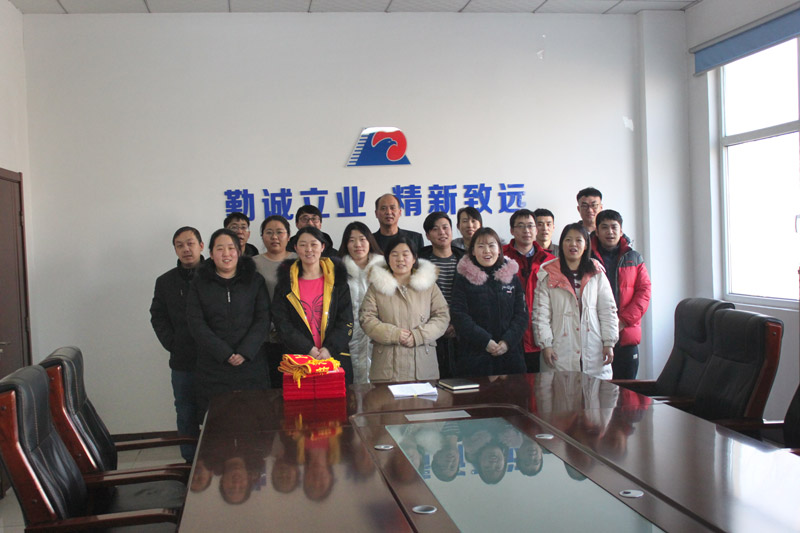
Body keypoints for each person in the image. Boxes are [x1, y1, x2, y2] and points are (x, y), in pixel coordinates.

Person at [186, 228, 270, 415]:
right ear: (210, 254)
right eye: (220, 248)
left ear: (239, 252)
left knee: (254, 419)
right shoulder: (199, 283)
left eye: (231, 248)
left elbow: (263, 318)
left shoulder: (254, 280)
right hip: (214, 365)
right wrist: (224, 353)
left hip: (250, 364)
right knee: (217, 422)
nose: (226, 254)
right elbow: (196, 322)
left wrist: (245, 351)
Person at [532, 223, 618, 379]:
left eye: (579, 240)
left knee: (596, 392)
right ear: (561, 244)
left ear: (586, 245)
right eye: (568, 240)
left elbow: (608, 310)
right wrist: (546, 345)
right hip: (559, 348)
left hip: (594, 347)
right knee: (560, 392)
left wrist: (609, 342)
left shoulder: (596, 272)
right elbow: (541, 315)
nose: (573, 244)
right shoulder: (548, 273)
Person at [360, 235, 450, 382]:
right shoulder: (377, 287)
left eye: (405, 254)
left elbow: (442, 316)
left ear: (414, 258)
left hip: (423, 366)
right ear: (388, 259)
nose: (400, 259)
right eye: (394, 255)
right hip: (386, 369)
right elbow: (366, 319)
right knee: (385, 398)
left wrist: (418, 336)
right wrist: (394, 334)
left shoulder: (428, 286)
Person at [149, 226, 205, 463]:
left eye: (190, 243)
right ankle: (190, 463)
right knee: (186, 411)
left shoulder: (216, 274)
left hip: (216, 359)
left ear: (201, 246)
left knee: (218, 412)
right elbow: (158, 316)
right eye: (180, 245)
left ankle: (218, 459)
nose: (186, 249)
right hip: (183, 360)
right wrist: (172, 343)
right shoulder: (165, 281)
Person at [272, 227, 354, 383]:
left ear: (322, 247)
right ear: (296, 248)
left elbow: (346, 320)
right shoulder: (285, 283)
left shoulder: (338, 281)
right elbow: (282, 323)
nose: (308, 249)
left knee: (337, 397)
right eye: (303, 245)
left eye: (314, 244)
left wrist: (329, 349)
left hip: (334, 357)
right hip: (299, 360)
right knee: (300, 398)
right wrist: (307, 348)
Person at [451, 227, 527, 377]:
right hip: (475, 356)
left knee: (514, 392)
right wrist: (485, 341)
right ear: (473, 251)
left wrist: (507, 342)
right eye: (481, 246)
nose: (487, 251)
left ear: (499, 250)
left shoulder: (511, 277)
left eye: (492, 245)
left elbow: (521, 314)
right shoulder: (463, 278)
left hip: (510, 355)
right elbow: (459, 315)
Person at [591, 210, 651, 379]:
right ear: (597, 231)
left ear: (621, 231)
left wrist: (622, 321)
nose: (610, 232)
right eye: (604, 227)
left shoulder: (634, 257)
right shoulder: (586, 257)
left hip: (626, 335)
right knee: (595, 388)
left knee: (627, 387)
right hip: (595, 335)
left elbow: (644, 292)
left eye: (614, 227)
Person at [502, 209, 554, 373]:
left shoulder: (550, 261)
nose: (526, 230)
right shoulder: (500, 257)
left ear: (536, 230)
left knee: (541, 385)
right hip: (508, 336)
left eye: (530, 226)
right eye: (521, 226)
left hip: (540, 337)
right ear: (512, 230)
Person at [338, 221, 385, 384]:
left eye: (362, 239)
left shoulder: (384, 268)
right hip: (347, 335)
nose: (357, 245)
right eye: (352, 240)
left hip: (378, 334)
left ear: (370, 241)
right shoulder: (338, 270)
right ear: (346, 244)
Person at [253, 215, 296, 387]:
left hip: (295, 333)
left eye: (279, 232)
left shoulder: (299, 260)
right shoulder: (253, 263)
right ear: (262, 236)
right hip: (264, 335)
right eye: (269, 232)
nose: (274, 237)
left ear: (289, 236)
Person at [419, 211, 464, 379]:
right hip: (429, 331)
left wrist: (457, 323)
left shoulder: (465, 260)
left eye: (445, 228)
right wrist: (438, 325)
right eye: (435, 229)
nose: (442, 232)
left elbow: (472, 299)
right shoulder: (419, 263)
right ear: (427, 235)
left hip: (460, 331)